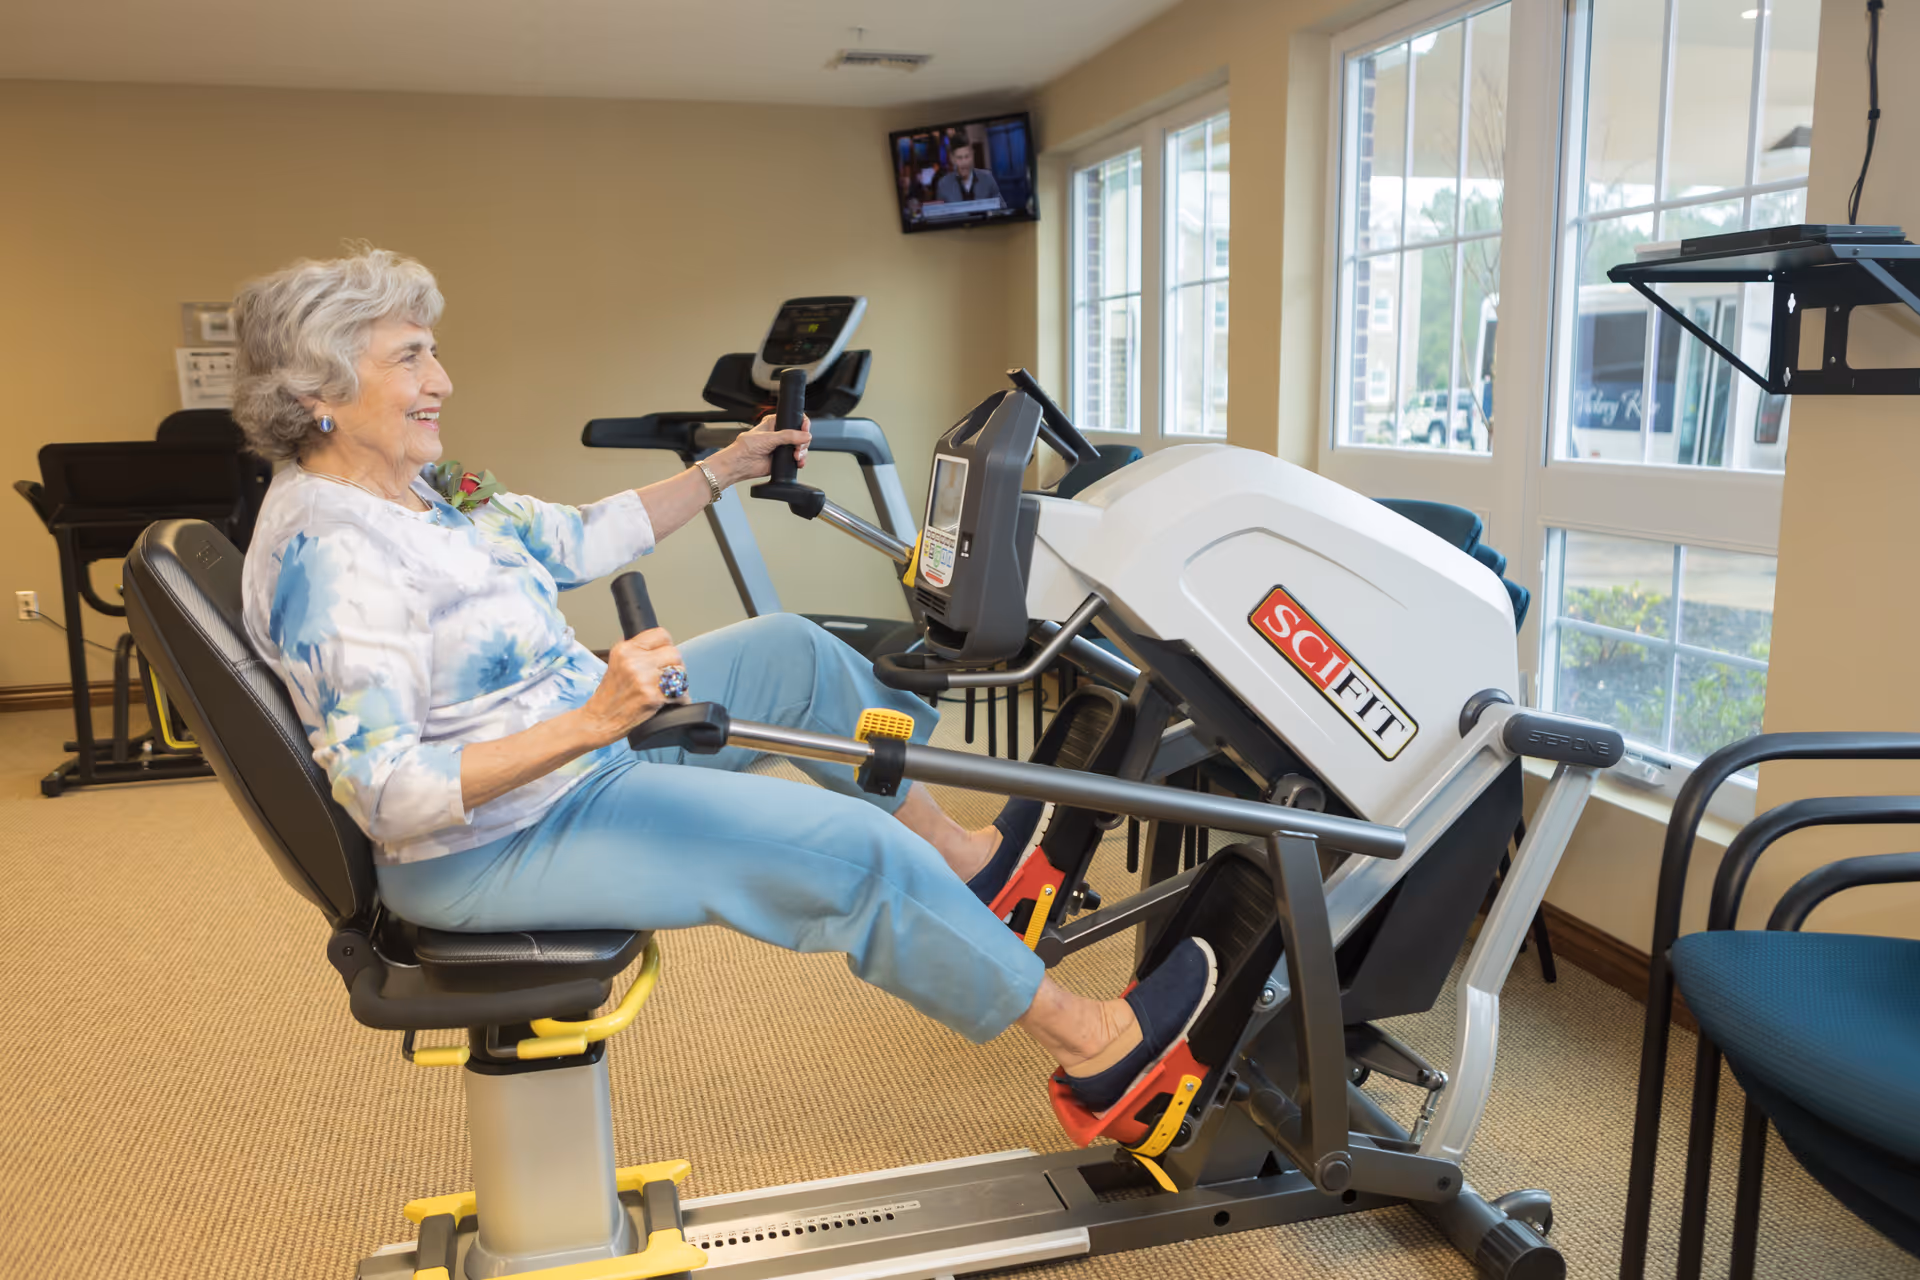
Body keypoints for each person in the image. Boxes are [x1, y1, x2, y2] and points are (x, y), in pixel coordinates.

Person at [229, 245, 1211, 1114]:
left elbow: (575, 536)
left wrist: (728, 465)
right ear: (319, 386)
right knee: (848, 850)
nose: (442, 376)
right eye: (410, 357)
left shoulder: (422, 485)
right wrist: (591, 722)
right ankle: (1101, 1056)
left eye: (433, 349)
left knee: (791, 647)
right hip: (498, 835)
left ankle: (972, 871)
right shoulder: (334, 556)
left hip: (582, 740)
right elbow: (389, 795)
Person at [932, 139, 1002, 206]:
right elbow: (940, 215)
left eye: (967, 156)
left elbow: (1002, 208)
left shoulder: (987, 178)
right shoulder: (943, 184)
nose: (964, 162)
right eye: (959, 158)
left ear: (972, 156)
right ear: (953, 159)